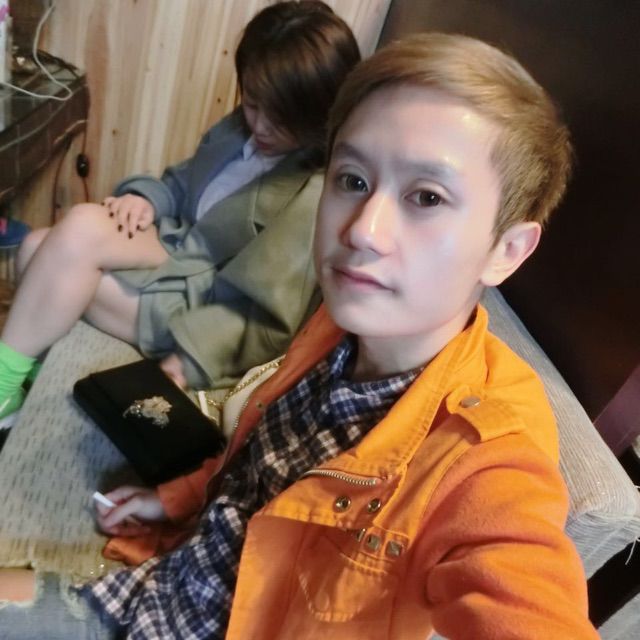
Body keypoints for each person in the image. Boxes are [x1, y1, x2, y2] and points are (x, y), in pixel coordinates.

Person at [0, 32, 599, 639]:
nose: (362, 230)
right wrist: (177, 497)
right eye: (353, 181)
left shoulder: (487, 452)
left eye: (426, 197)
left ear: (506, 251)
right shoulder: (339, 326)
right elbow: (262, 468)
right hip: (153, 591)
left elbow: (524, 597)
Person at [0, 0, 360, 428]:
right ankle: (19, 386)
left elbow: (266, 321)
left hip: (203, 298)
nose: (261, 126)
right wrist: (147, 200)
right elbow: (182, 181)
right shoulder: (239, 129)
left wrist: (191, 359)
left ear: (319, 113)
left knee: (45, 251)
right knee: (41, 243)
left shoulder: (312, 193)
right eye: (253, 103)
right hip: (176, 246)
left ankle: (4, 388)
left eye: (281, 118)